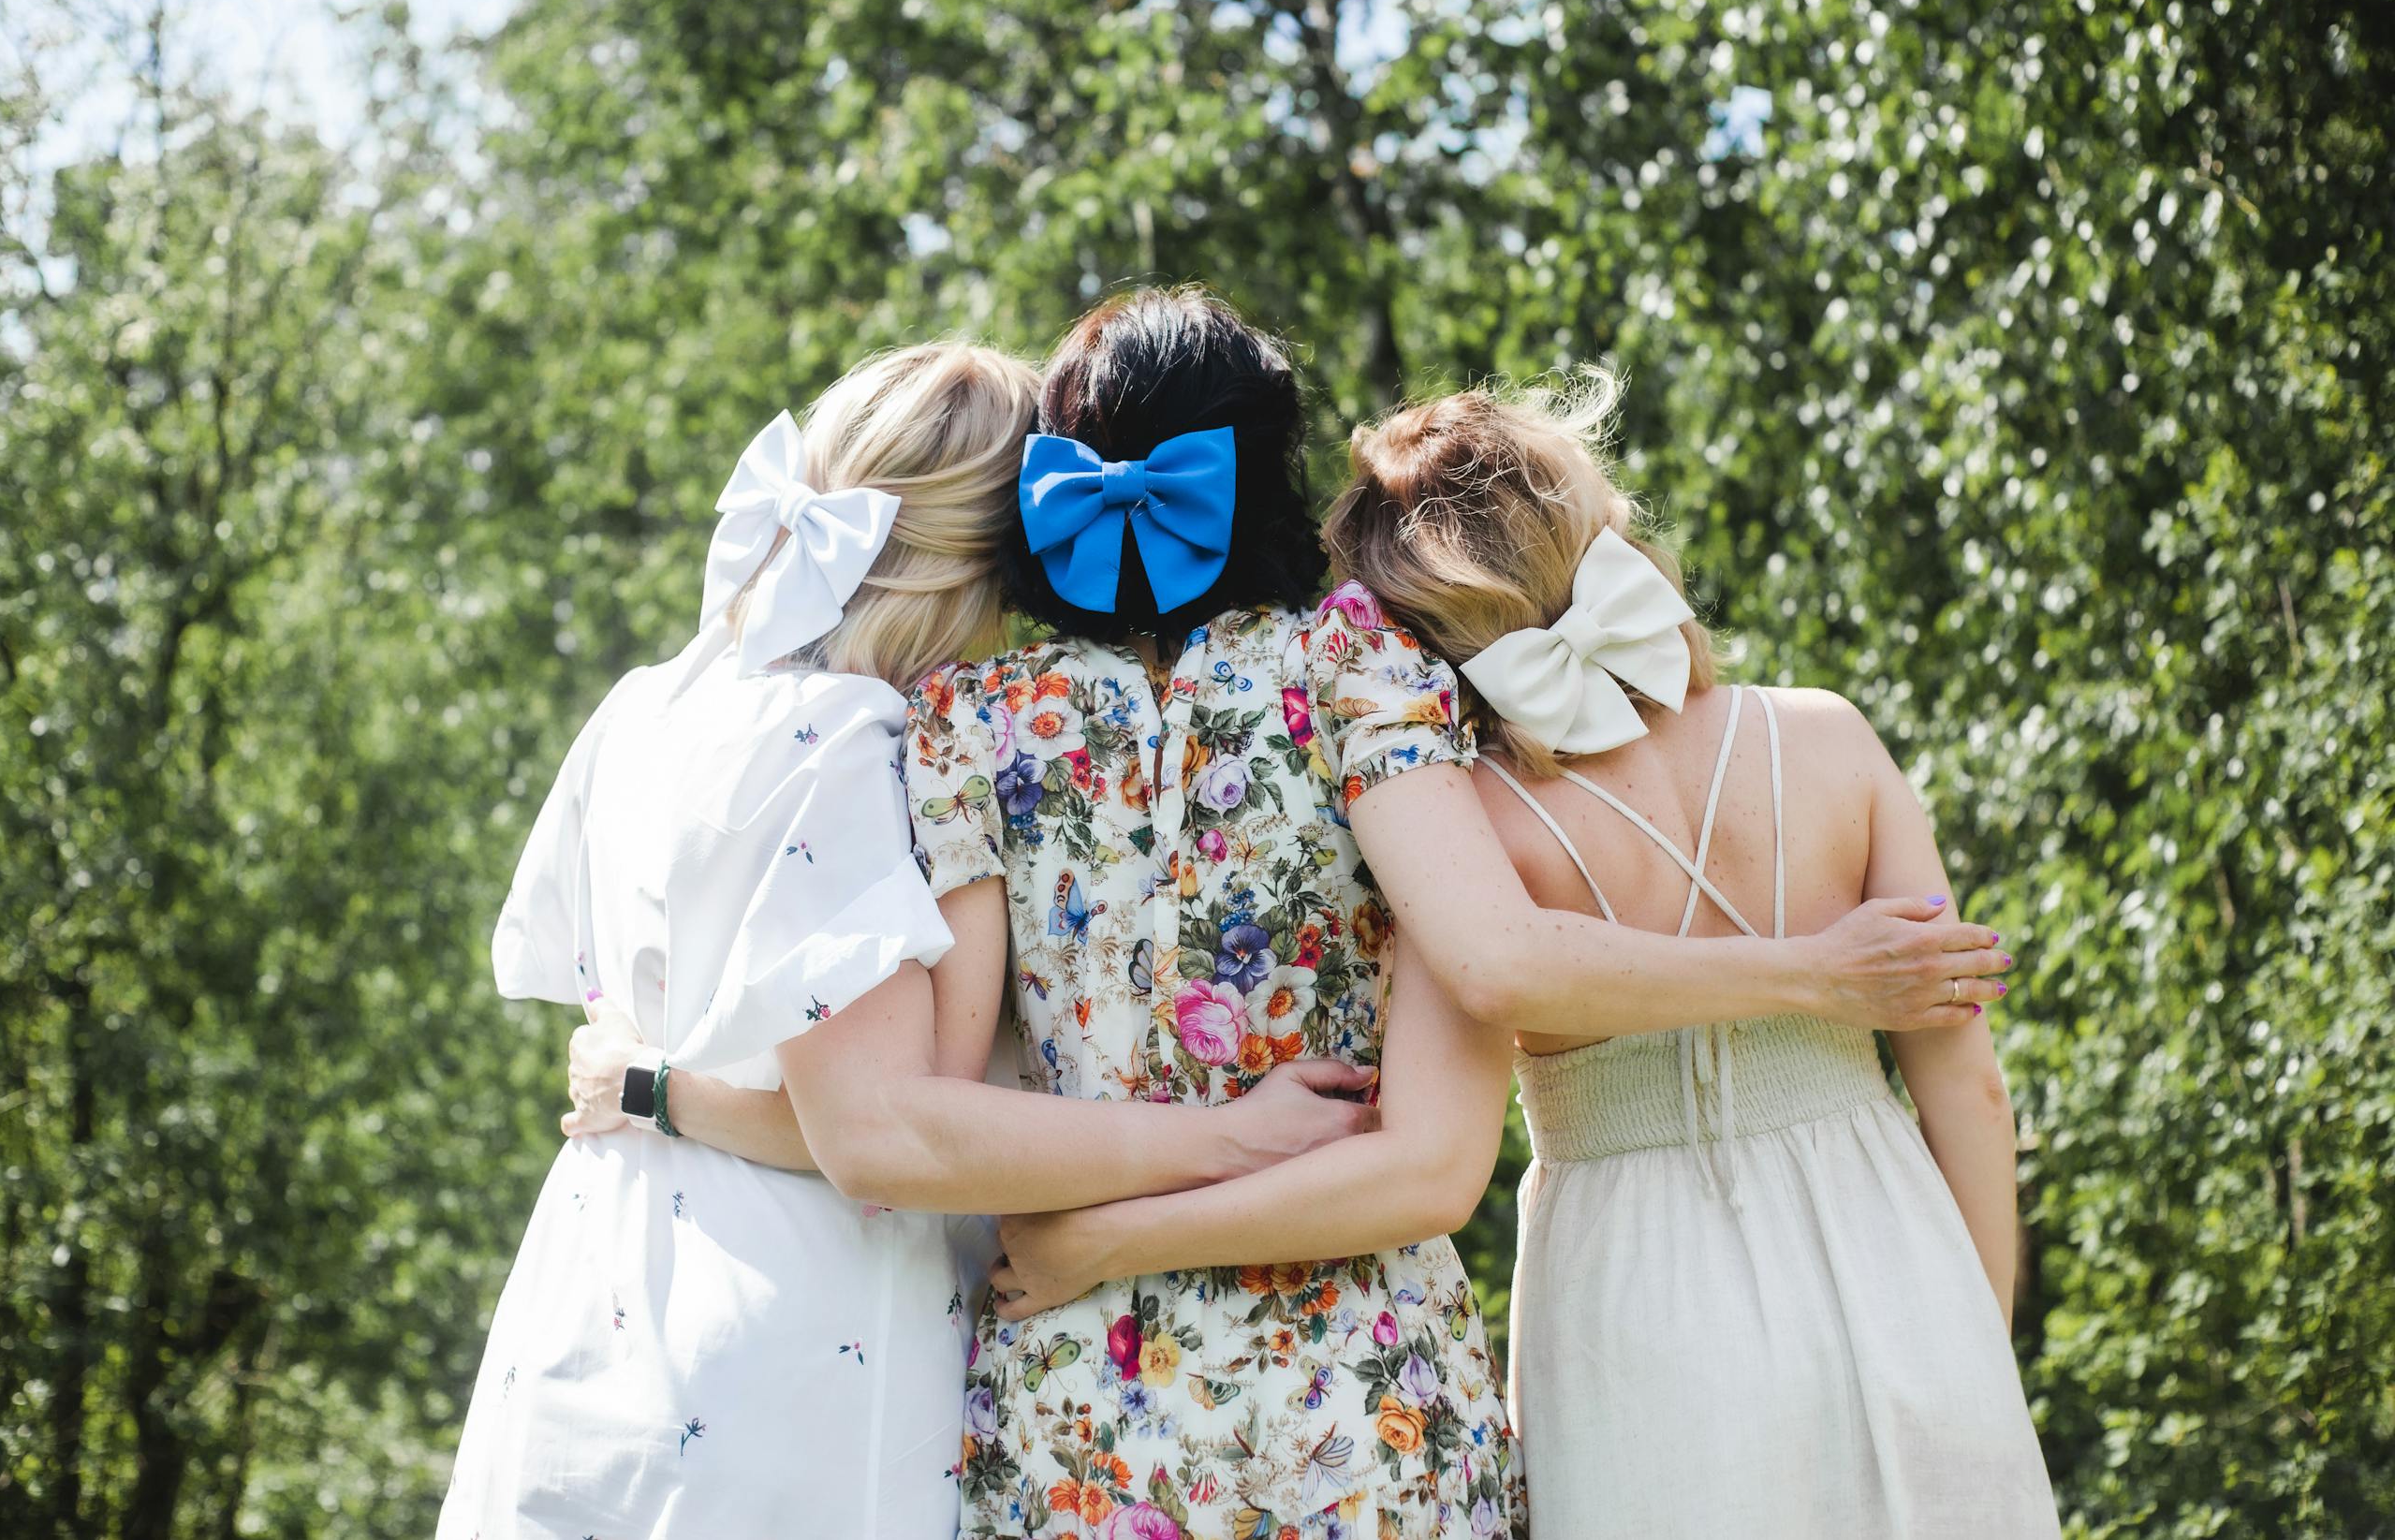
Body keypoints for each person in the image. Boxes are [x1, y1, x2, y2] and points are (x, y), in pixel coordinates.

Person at [905, 288, 2008, 1537]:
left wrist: (675, 1096)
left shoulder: (959, 722)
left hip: (1083, 1405)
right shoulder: (1361, 672)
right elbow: (1454, 1098)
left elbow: (940, 1113)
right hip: (1361, 1407)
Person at [482, 340, 1377, 1540]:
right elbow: (884, 1130)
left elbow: (631, 1020)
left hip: (598, 1295)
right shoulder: (848, 744)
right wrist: (1222, 1135)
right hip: (797, 1323)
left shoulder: (646, 704)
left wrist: (654, 1091)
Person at [1313, 374, 2060, 1537]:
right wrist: (1975, 1342)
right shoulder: (1828, 735)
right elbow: (1966, 1079)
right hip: (1900, 1264)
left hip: (1635, 1302)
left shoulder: (1469, 833)